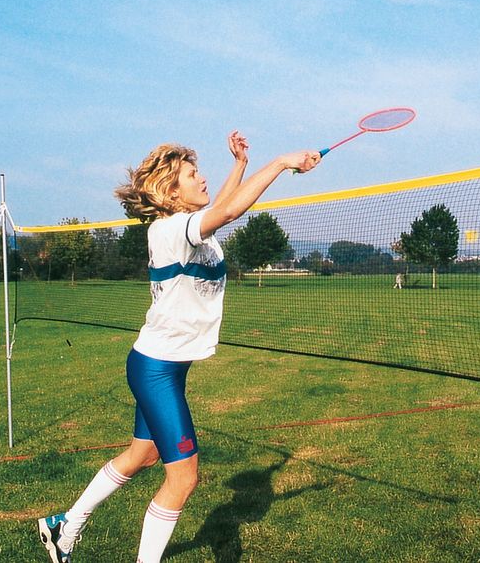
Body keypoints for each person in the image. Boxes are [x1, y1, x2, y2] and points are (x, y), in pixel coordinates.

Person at [38, 131, 321, 563]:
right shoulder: (169, 230)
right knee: (184, 478)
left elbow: (217, 209)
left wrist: (240, 165)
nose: (201, 178)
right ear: (172, 192)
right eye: (193, 174)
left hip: (163, 365)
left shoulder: (190, 229)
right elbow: (225, 212)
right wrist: (281, 163)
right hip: (156, 370)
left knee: (142, 454)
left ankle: (64, 526)